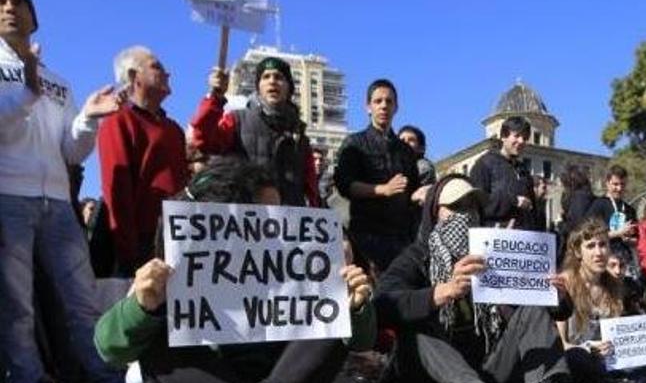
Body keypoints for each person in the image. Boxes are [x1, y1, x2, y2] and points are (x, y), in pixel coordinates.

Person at [94, 161, 375, 383]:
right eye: (264, 216)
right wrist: (141, 307)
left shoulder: (298, 269)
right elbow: (110, 348)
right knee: (157, 331)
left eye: (280, 215)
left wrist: (353, 306)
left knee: (327, 310)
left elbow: (361, 342)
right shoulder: (172, 274)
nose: (277, 226)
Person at [375, 175, 601, 383]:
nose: (466, 214)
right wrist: (440, 292)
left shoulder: (492, 255)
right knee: (417, 329)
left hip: (493, 378)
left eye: (473, 206)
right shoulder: (415, 257)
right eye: (456, 207)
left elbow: (553, 314)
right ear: (435, 211)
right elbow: (381, 304)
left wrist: (557, 295)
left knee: (530, 311)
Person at [0, 0, 127, 383]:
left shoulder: (57, 81)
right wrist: (27, 90)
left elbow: (71, 152)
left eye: (18, 2)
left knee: (82, 302)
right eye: (1, 2)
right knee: (17, 305)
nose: (10, 7)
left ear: (34, 17)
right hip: (7, 197)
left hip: (57, 202)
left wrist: (88, 120)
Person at [97, 46, 188, 276]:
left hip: (174, 237)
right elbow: (116, 188)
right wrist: (128, 248)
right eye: (156, 67)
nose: (167, 74)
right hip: (139, 243)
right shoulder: (118, 121)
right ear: (132, 77)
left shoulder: (174, 129)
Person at [555, 219, 646, 383]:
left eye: (603, 245)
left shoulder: (615, 285)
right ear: (577, 252)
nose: (598, 252)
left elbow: (624, 335)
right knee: (577, 359)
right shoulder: (564, 284)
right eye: (590, 246)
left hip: (610, 361)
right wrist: (590, 347)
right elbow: (561, 345)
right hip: (579, 358)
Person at [190, 56, 318, 207]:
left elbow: (311, 187)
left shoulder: (299, 134)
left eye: (279, 77)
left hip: (289, 221)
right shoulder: (237, 120)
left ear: (289, 88)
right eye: (266, 77)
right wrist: (215, 98)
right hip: (246, 217)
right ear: (258, 87)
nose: (272, 81)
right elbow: (205, 140)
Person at [334, 79, 419, 272]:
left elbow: (412, 191)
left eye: (389, 101)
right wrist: (382, 190)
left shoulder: (405, 151)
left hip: (401, 240)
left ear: (396, 107)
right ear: (368, 107)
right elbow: (345, 185)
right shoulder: (354, 143)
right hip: (366, 240)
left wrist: (424, 194)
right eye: (378, 101)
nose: (383, 106)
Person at [469, 116, 540, 230]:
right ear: (503, 136)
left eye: (525, 138)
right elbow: (477, 203)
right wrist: (513, 201)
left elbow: (533, 211)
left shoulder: (524, 171)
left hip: (522, 240)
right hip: (494, 239)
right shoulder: (484, 164)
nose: (521, 141)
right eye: (516, 136)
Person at [588, 165, 639, 279]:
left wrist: (629, 239)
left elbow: (637, 240)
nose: (619, 188)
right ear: (607, 183)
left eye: (622, 184)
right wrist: (617, 233)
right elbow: (590, 235)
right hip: (604, 263)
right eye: (615, 184)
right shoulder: (598, 205)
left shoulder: (629, 210)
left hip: (625, 264)